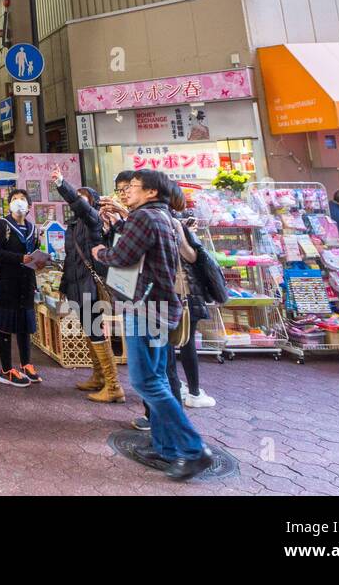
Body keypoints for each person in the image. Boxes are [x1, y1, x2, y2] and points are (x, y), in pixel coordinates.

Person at [91, 170, 213, 481]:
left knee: (147, 382)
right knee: (157, 376)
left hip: (144, 308)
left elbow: (122, 255)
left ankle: (192, 449)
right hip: (160, 307)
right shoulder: (165, 218)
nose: (126, 192)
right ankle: (165, 447)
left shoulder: (145, 218)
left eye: (132, 187)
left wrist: (100, 252)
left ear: (151, 192)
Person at [51, 166, 122, 402]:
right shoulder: (74, 226)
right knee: (89, 330)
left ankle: (113, 386)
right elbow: (72, 258)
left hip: (89, 284)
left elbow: (79, 205)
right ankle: (98, 376)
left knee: (95, 330)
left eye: (83, 197)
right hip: (76, 284)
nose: (78, 201)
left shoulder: (92, 219)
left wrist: (62, 183)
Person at [0, 189, 46, 387]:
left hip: (27, 282)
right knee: (6, 325)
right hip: (7, 281)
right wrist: (18, 258)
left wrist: (39, 261)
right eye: (14, 199)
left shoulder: (33, 228)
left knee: (25, 324)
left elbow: (35, 251)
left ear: (29, 206)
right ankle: (5, 370)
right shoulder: (2, 225)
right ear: (9, 205)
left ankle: (26, 364)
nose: (18, 202)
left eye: (22, 199)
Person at [166, 182, 215, 409]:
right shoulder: (173, 221)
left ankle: (189, 391)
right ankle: (183, 390)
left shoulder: (173, 222)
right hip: (178, 292)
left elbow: (192, 256)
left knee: (182, 343)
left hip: (183, 292)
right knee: (180, 344)